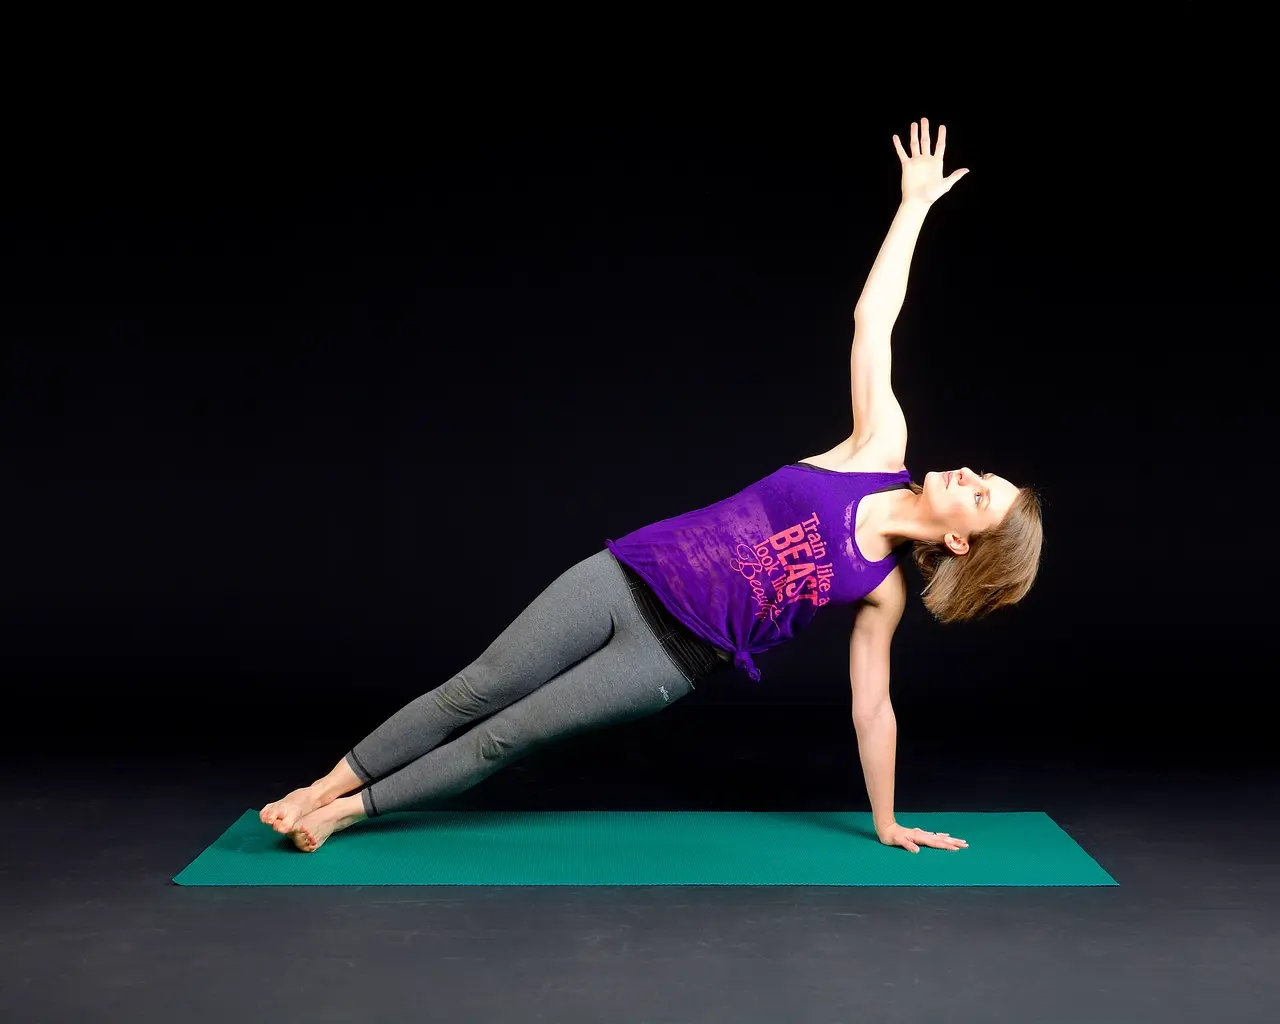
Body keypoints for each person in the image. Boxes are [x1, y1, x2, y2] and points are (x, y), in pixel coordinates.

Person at [260, 118, 1043, 855]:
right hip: (627, 576)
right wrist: (913, 208)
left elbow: (872, 708)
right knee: (475, 690)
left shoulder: (881, 591)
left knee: (508, 735)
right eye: (983, 478)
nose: (969, 476)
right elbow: (874, 321)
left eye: (980, 497)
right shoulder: (878, 447)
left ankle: (342, 814)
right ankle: (317, 788)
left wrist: (888, 821)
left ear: (959, 541)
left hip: (670, 659)